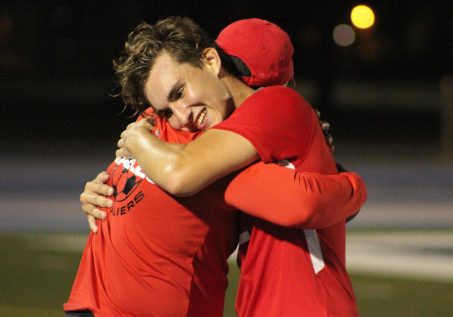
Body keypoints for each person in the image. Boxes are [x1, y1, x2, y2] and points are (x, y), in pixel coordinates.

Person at [74, 17, 366, 317]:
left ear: (213, 61)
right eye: (167, 108)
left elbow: (304, 203)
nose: (181, 114)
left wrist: (352, 187)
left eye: (179, 92)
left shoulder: (273, 103)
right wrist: (104, 191)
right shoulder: (180, 126)